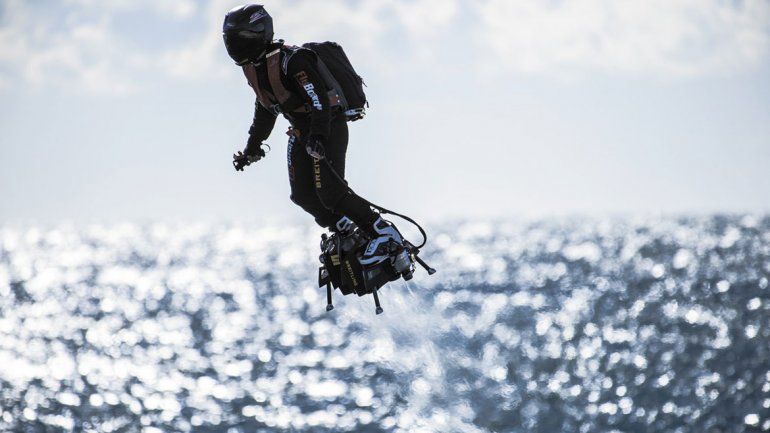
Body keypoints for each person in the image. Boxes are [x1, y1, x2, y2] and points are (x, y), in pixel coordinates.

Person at [223, 4, 403, 263]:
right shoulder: (255, 68)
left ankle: (384, 233)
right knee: (302, 196)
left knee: (331, 192)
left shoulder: (293, 60)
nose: (235, 47)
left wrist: (317, 137)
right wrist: (251, 150)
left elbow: (319, 100)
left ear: (259, 34)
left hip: (327, 125)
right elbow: (265, 110)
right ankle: (346, 229)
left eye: (240, 40)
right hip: (300, 132)